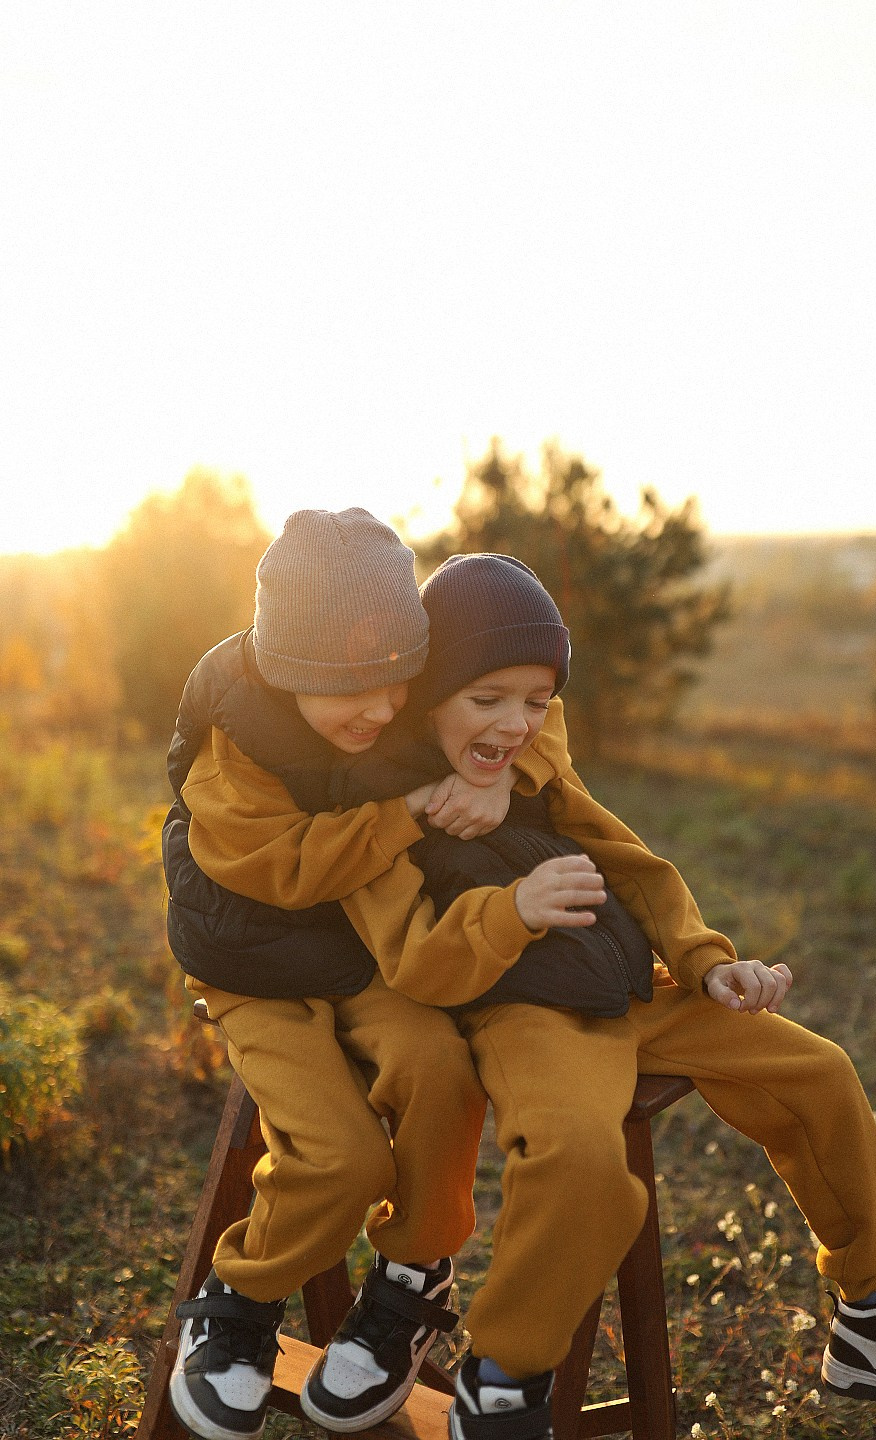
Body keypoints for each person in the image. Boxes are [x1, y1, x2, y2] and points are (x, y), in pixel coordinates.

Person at [322, 552, 876, 1435]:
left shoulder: (533, 761)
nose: (515, 722)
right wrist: (511, 911)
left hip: (628, 985)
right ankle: (503, 1376)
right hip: (522, 1012)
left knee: (816, 1071)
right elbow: (416, 966)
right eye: (488, 698)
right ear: (429, 689)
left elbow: (627, 860)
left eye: (536, 700)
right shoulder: (378, 801)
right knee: (583, 1162)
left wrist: (703, 962)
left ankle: (874, 1317)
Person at [161, 512, 557, 1440]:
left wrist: (500, 772)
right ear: (291, 672)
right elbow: (286, 868)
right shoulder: (234, 747)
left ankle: (411, 1279)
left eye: (396, 683)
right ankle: (241, 1300)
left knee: (439, 1075)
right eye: (352, 692)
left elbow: (525, 696)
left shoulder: (398, 684)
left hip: (363, 952)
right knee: (340, 1156)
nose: (382, 711)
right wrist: (410, 811)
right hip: (253, 966)